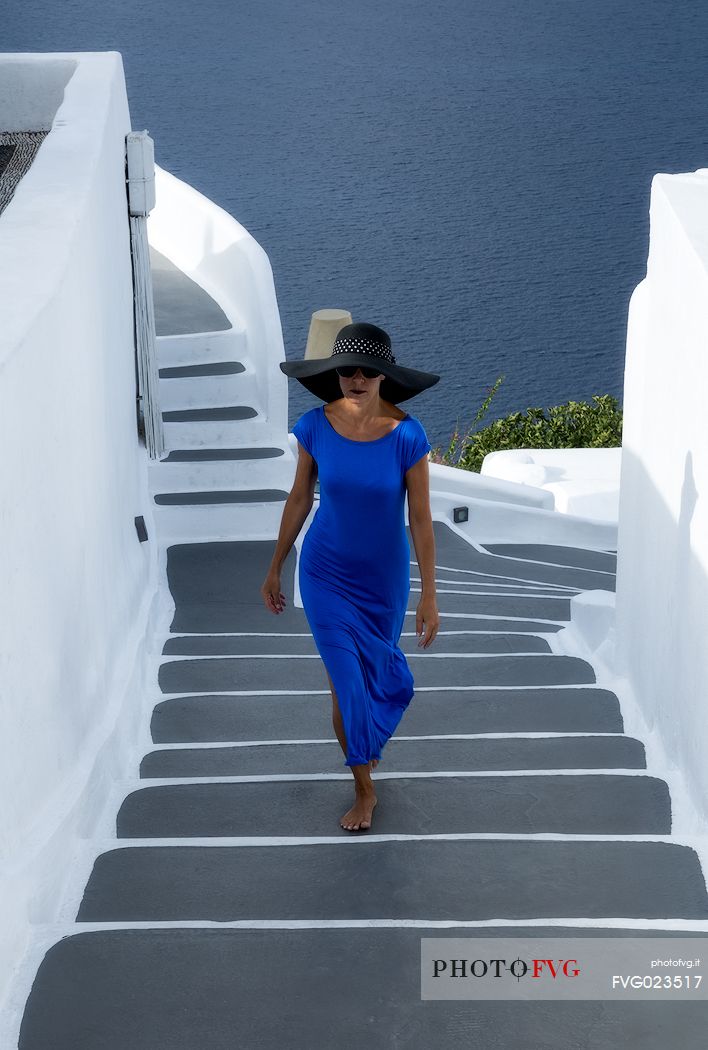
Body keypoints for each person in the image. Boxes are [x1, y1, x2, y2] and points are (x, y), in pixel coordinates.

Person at [261, 321, 441, 832]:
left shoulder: (408, 436)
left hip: (383, 582)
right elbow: (300, 497)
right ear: (336, 374)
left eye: (367, 372)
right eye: (347, 371)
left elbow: (422, 520)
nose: (356, 379)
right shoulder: (315, 427)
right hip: (324, 573)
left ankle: (364, 743)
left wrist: (429, 594)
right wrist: (276, 564)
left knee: (373, 677)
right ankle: (364, 786)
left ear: (384, 377)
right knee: (345, 685)